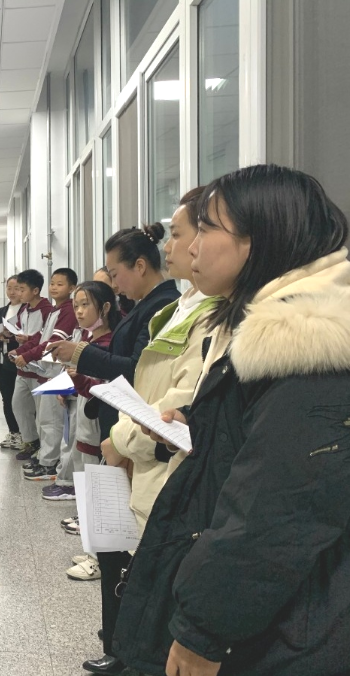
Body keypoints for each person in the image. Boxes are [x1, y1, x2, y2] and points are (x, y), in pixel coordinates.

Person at [115, 165, 350, 676]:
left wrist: (203, 632)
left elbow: (274, 515)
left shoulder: (307, 347)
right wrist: (200, 422)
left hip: (284, 631)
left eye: (205, 229)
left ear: (258, 238)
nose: (191, 247)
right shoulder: (256, 323)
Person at [47, 223, 180, 676]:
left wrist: (80, 355)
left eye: (115, 272)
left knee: (121, 548)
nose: (112, 282)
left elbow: (138, 372)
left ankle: (123, 646)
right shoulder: (144, 306)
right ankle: (118, 640)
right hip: (120, 436)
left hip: (133, 441)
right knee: (114, 543)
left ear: (140, 266)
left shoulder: (163, 308)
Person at [101, 187, 219, 531]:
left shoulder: (210, 314)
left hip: (162, 464)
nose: (168, 247)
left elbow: (178, 404)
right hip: (145, 458)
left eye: (178, 235)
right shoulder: (174, 308)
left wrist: (122, 440)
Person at [45, 281, 119, 504]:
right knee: (81, 459)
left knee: (93, 465)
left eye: (85, 305)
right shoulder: (87, 338)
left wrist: (76, 378)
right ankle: (84, 509)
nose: (79, 311)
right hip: (81, 416)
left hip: (95, 420)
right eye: (76, 305)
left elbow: (98, 388)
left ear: (106, 307)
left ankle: (94, 513)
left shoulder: (108, 345)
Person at [15, 268, 80, 481]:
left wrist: (27, 356)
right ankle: (45, 456)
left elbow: (52, 344)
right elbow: (41, 339)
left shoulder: (68, 311)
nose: (54, 287)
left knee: (52, 421)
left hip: (57, 373)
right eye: (52, 283)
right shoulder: (55, 310)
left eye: (60, 284)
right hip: (47, 373)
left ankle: (49, 464)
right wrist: (24, 352)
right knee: (44, 419)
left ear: (71, 288)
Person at [7, 269, 54, 456]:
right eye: (17, 289)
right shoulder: (24, 309)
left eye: (22, 289)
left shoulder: (47, 310)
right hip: (23, 366)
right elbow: (21, 328)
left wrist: (25, 345)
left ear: (35, 291)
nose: (18, 293)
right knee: (19, 405)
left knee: (43, 413)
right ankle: (30, 441)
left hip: (39, 369)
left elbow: (44, 338)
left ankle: (44, 449)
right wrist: (17, 337)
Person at [0, 275, 23, 448]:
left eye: (17, 288)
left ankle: (27, 434)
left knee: (22, 400)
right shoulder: (1, 311)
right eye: (9, 288)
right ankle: (14, 432)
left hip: (20, 361)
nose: (12, 292)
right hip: (2, 361)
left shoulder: (27, 310)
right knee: (7, 398)